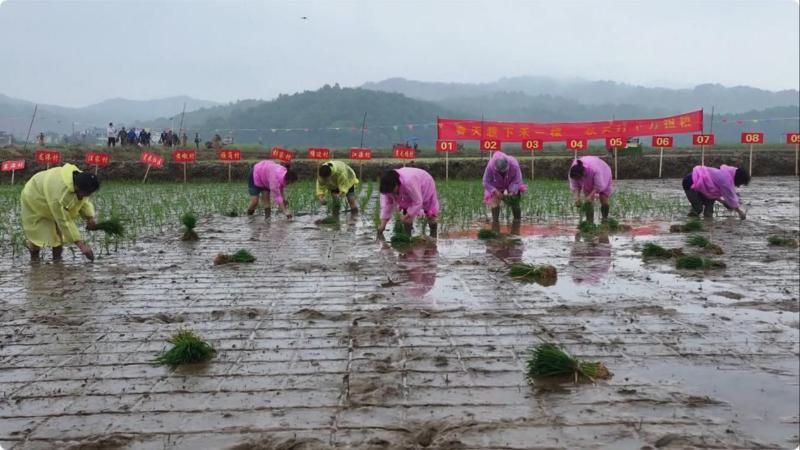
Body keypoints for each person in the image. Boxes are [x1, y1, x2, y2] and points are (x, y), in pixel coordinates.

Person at [20, 163, 100, 262]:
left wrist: (90, 217)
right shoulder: (60, 196)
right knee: (38, 234)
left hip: (49, 190)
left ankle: (57, 262)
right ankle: (34, 262)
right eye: (87, 193)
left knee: (59, 235)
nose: (88, 195)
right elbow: (64, 221)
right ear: (77, 188)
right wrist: (81, 245)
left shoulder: (82, 180)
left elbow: (83, 201)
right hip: (35, 196)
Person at [378, 167, 439, 237]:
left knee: (430, 213)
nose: (391, 194)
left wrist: (408, 215)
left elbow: (417, 201)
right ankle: (408, 238)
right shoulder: (386, 188)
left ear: (396, 184)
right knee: (407, 217)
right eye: (389, 192)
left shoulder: (409, 182)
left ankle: (433, 237)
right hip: (409, 190)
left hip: (425, 184)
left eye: (392, 191)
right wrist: (382, 225)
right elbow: (387, 205)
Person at [683, 164, 749, 219]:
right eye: (740, 183)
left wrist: (722, 201)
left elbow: (712, 192)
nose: (738, 186)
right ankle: (690, 222)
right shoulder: (725, 181)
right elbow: (731, 199)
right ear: (738, 179)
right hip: (690, 182)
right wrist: (740, 212)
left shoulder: (728, 173)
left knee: (709, 205)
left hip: (703, 184)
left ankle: (708, 224)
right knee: (698, 208)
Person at [483, 151, 527, 223]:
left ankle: (517, 221)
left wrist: (512, 191)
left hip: (511, 182)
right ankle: (495, 223)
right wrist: (495, 191)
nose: (502, 173)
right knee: (494, 201)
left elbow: (518, 179)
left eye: (504, 171)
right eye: (500, 172)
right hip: (496, 184)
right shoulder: (490, 167)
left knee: (514, 200)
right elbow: (485, 182)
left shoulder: (514, 164)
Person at [568, 156, 613, 223]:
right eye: (576, 179)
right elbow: (576, 186)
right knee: (588, 202)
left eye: (578, 178)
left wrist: (590, 196)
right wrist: (577, 198)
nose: (577, 180)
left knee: (603, 199)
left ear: (583, 174)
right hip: (587, 177)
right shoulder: (573, 172)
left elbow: (598, 186)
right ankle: (589, 221)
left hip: (603, 171)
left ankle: (605, 219)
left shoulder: (595, 170)